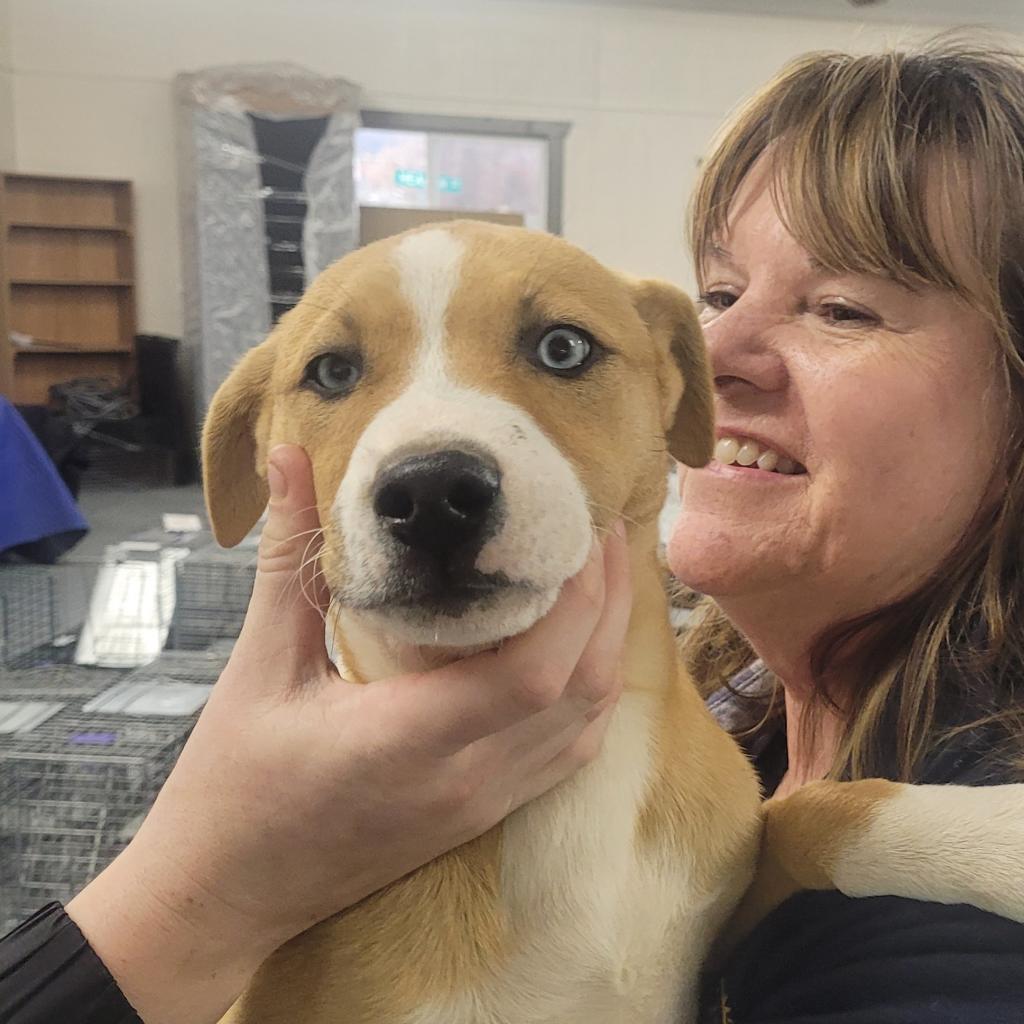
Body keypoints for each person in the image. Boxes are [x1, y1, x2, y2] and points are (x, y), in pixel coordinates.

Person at [3, 35, 1024, 1024]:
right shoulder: (733, 725)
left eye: (843, 308)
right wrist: (197, 890)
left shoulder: (956, 949)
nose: (715, 353)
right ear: (251, 440)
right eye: (718, 292)